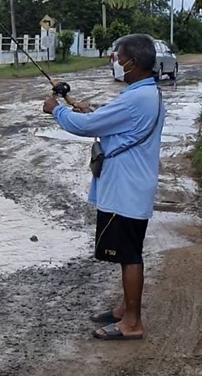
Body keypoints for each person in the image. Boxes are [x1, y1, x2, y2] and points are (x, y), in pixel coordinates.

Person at [42, 33, 166, 342]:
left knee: (129, 254)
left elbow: (85, 127)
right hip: (133, 185)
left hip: (127, 189)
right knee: (128, 251)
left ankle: (132, 323)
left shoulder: (137, 98)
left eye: (119, 57)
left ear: (133, 62)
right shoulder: (147, 92)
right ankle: (126, 309)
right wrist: (91, 113)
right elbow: (116, 125)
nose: (116, 62)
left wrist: (56, 109)